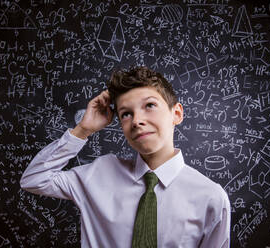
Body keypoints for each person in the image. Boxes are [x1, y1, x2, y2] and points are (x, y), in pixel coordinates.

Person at [20, 66, 231, 247]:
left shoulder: (211, 197)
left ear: (176, 113)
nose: (137, 120)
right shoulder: (99, 175)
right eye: (126, 114)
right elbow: (34, 179)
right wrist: (83, 130)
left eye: (149, 106)